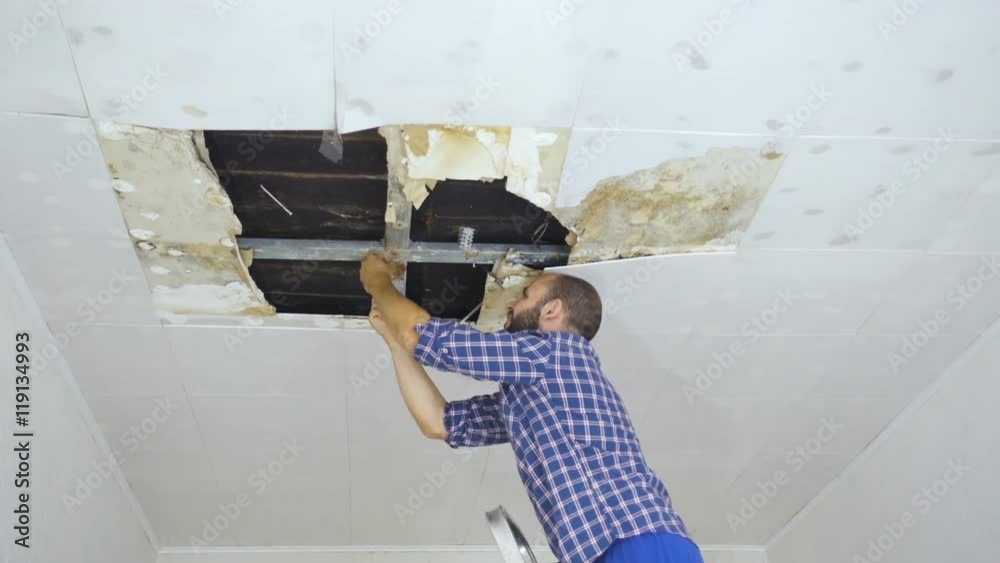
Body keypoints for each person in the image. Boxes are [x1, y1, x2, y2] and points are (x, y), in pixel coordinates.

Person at [360, 253, 703, 563]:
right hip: (614, 547)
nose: (511, 303)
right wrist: (394, 342)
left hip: (635, 539)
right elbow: (440, 423)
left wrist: (377, 282)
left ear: (552, 310)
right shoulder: (535, 393)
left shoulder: (553, 352)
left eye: (524, 295)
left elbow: (426, 338)